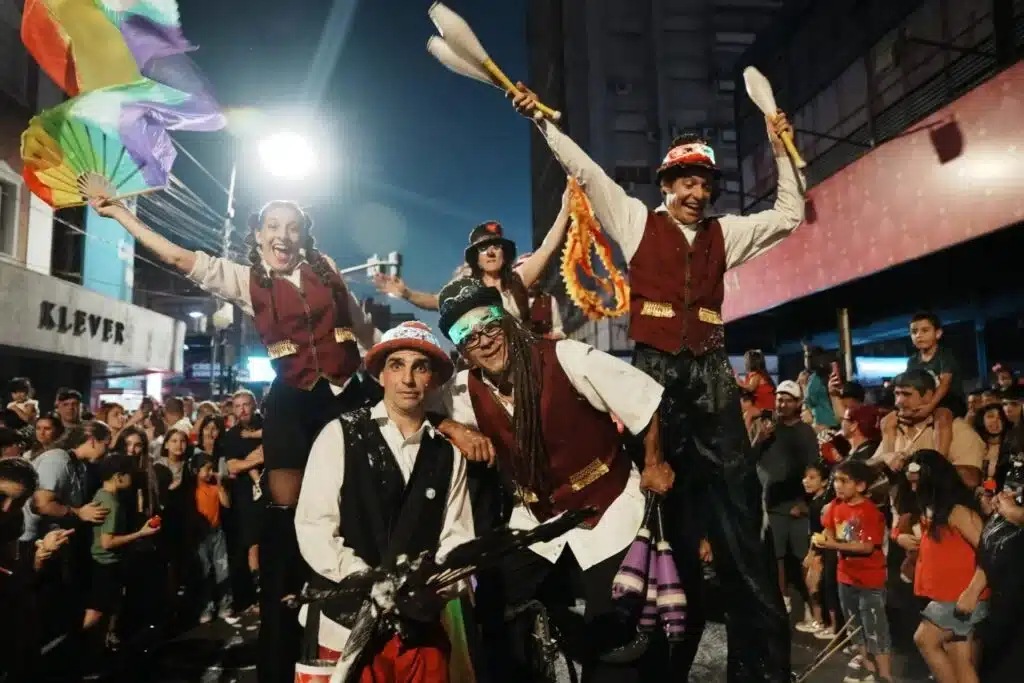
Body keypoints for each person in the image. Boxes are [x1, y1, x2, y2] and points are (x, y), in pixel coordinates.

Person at [92, 197, 486, 683]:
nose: (283, 235)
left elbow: (363, 329)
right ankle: (286, 631)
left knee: (377, 491)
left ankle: (380, 597)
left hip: (348, 392)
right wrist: (119, 214)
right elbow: (176, 256)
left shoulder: (328, 269)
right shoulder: (243, 279)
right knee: (288, 511)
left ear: (305, 235)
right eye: (273, 227)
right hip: (294, 401)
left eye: (293, 227)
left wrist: (395, 355)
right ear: (258, 235)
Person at [511, 81, 802, 682]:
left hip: (713, 379)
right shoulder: (636, 220)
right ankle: (656, 666)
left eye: (705, 184)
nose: (697, 193)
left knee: (740, 526)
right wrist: (541, 120)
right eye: (686, 183)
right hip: (658, 381)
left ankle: (761, 671)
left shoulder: (730, 235)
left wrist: (779, 148)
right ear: (667, 187)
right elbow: (585, 170)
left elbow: (791, 214)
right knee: (662, 519)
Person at [436, 278, 674, 683]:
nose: (485, 341)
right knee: (493, 605)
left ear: (506, 319)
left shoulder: (567, 357)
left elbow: (644, 398)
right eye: (468, 336)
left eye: (489, 324)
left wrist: (654, 461)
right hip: (536, 517)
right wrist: (453, 428)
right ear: (461, 349)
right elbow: (419, 408)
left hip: (607, 505)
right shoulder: (462, 390)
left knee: (615, 628)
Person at [295, 321, 475, 682]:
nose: (408, 378)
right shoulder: (339, 434)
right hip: (343, 626)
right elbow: (315, 526)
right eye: (397, 365)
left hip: (419, 631)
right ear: (380, 375)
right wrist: (365, 581)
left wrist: (431, 588)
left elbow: (459, 538)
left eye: (419, 367)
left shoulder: (448, 455)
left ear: (433, 380)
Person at [373, 184, 572, 323]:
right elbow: (436, 301)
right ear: (476, 258)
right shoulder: (465, 288)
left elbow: (548, 248)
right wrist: (406, 293)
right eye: (484, 248)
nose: (491, 252)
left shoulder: (519, 281)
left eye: (496, 246)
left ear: (505, 253)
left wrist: (565, 210)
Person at [901, 450, 986, 683]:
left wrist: (972, 592)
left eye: (918, 484)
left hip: (963, 594)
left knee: (925, 639)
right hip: (952, 594)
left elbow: (989, 551)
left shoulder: (958, 511)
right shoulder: (936, 509)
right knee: (961, 660)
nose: (914, 489)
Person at [815, 460, 893, 683]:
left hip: (869, 581)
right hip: (845, 576)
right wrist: (821, 545)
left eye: (844, 481)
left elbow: (867, 546)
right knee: (854, 627)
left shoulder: (869, 512)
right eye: (836, 480)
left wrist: (833, 546)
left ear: (860, 486)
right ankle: (869, 669)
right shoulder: (836, 506)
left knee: (875, 628)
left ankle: (885, 675)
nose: (837, 485)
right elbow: (828, 529)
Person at [84, 454, 161, 653]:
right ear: (119, 476)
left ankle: (97, 649)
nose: (132, 479)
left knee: (106, 608)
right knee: (96, 612)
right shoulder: (113, 504)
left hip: (100, 562)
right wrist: (141, 533)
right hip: (106, 563)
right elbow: (107, 542)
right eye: (129, 475)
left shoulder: (101, 494)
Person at [755, 380, 819, 613]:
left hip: (797, 505)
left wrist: (804, 503)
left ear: (798, 403)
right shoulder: (767, 428)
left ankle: (816, 607)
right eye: (779, 399)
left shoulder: (805, 432)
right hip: (772, 504)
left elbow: (813, 468)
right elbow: (751, 457)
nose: (781, 404)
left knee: (804, 557)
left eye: (787, 400)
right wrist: (760, 438)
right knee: (776, 556)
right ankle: (783, 601)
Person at [192, 452, 232, 624]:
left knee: (222, 568)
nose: (210, 473)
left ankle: (225, 603)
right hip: (200, 535)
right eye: (206, 469)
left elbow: (226, 504)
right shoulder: (192, 490)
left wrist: (221, 485)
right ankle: (206, 606)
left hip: (217, 533)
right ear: (195, 470)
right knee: (205, 571)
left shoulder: (215, 488)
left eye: (212, 469)